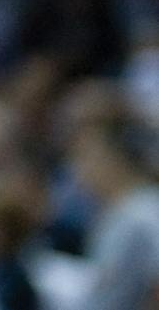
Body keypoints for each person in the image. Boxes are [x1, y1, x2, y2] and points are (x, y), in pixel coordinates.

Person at [65, 104, 159, 310]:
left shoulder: (146, 209)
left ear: (112, 159)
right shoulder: (118, 211)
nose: (78, 171)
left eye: (84, 157)